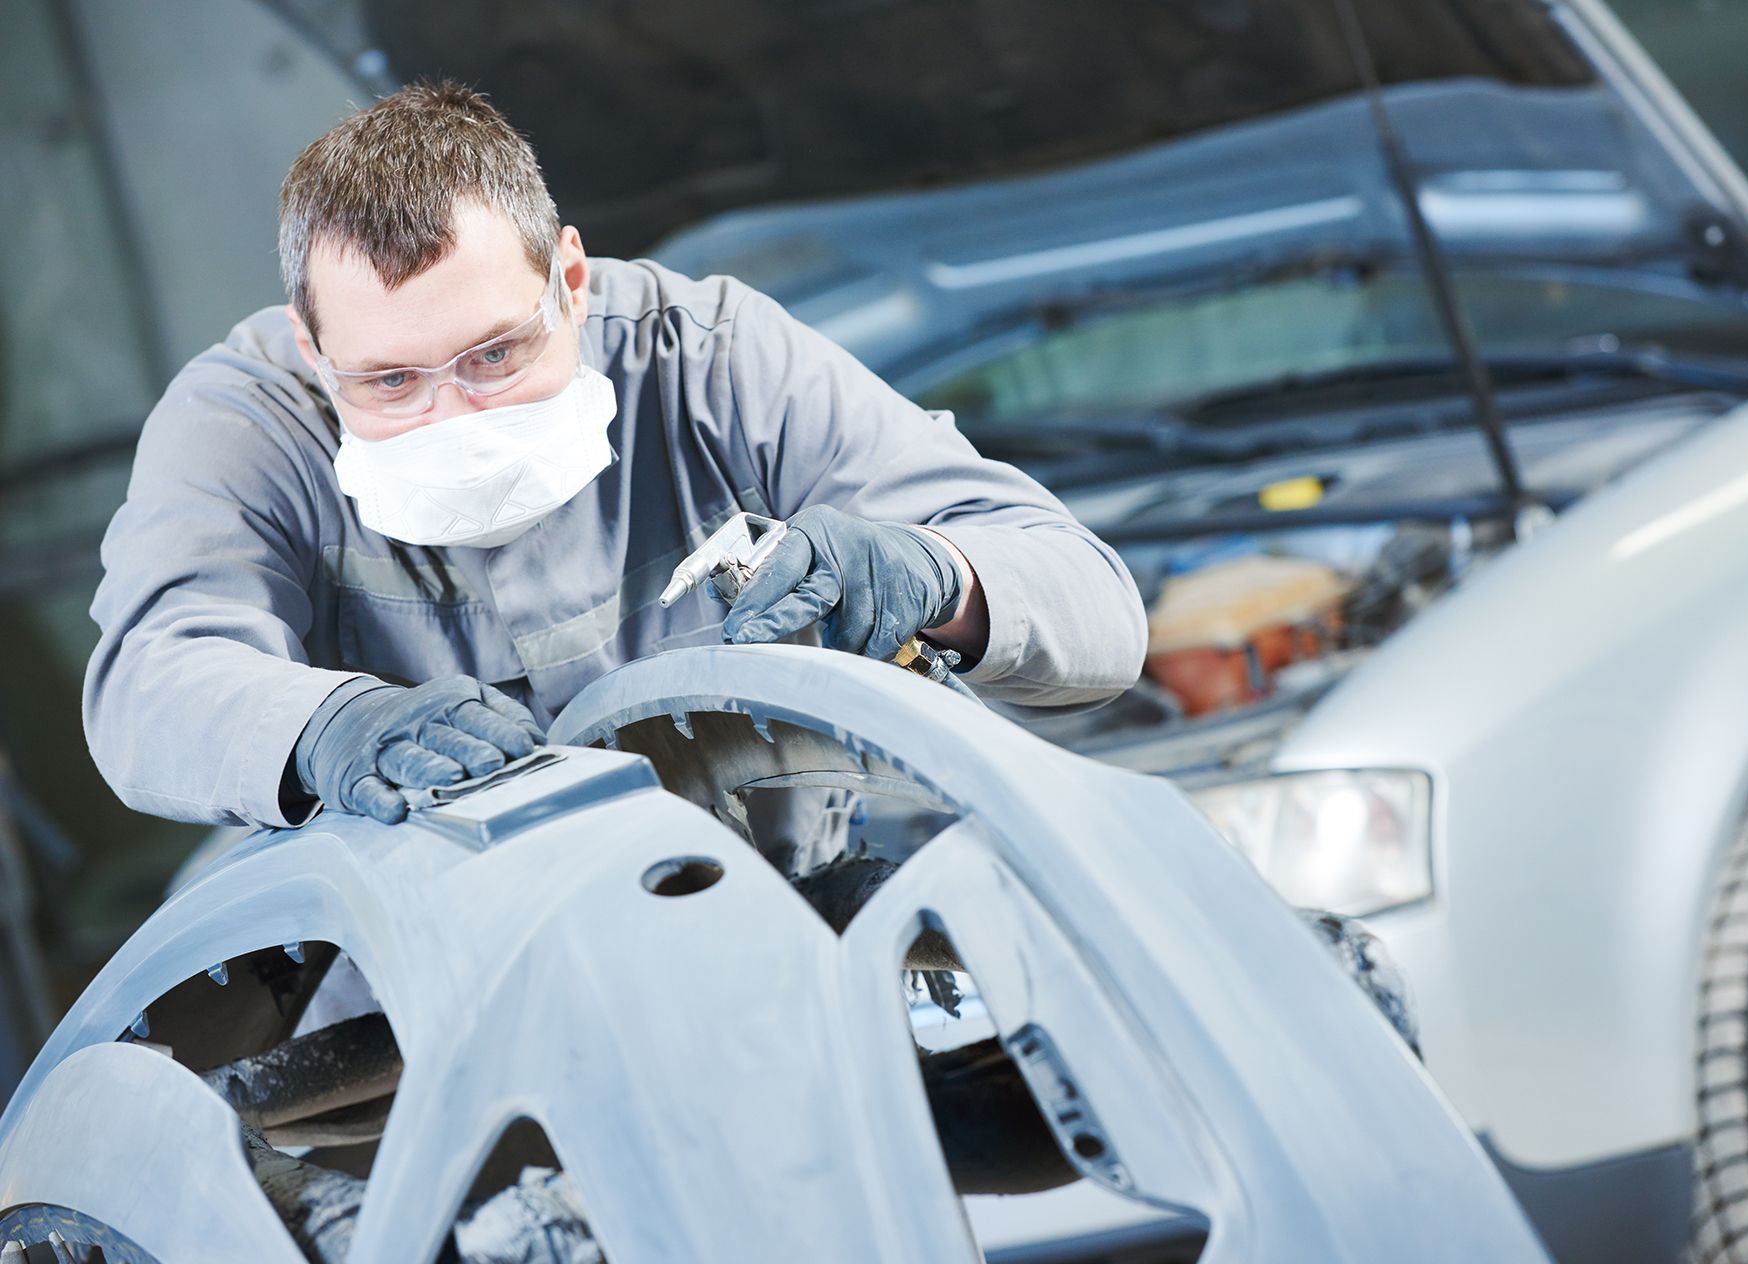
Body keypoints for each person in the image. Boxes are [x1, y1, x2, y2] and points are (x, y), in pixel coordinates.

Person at [81, 81, 1147, 833]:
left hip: (788, 913)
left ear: (572, 282)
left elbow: (1096, 607)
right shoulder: (247, 420)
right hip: (422, 987)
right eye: (390, 382)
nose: (454, 416)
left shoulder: (710, 353)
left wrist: (936, 576)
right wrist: (331, 725)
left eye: (496, 354)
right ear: (314, 348)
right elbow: (147, 684)